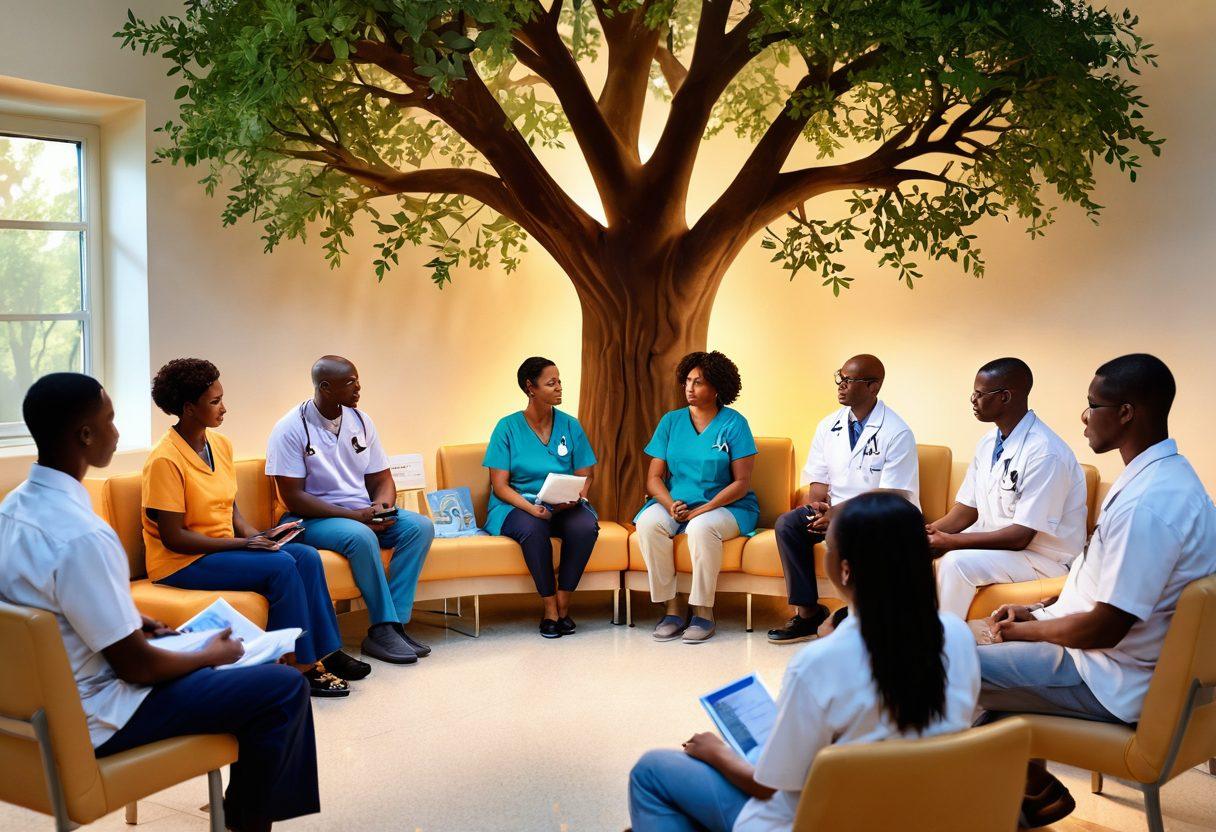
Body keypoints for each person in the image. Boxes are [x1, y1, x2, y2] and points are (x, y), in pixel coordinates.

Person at [0, 373, 319, 832]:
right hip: (99, 716)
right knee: (280, 688)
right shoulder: (84, 535)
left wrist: (133, 619)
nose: (117, 431)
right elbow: (138, 669)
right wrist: (211, 653)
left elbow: (44, 609)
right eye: (110, 421)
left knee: (233, 667)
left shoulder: (13, 510)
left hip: (38, 713)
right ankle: (245, 824)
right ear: (85, 435)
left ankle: (241, 809)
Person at [628, 491, 980, 831]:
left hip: (814, 820)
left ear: (844, 570)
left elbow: (769, 786)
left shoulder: (818, 664)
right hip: (913, 815)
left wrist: (716, 753)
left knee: (651, 772)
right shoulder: (958, 636)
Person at [976, 354, 1216, 827]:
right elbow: (1110, 584)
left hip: (1103, 675)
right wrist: (1039, 609)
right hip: (1109, 659)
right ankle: (1027, 793)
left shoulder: (1148, 504)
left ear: (1126, 412)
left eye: (1092, 405)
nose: (1083, 417)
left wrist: (1018, 635)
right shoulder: (1171, 480)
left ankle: (980, 801)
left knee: (932, 668)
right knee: (951, 643)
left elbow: (1104, 628)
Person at [142, 358, 358, 697]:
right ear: (188, 408)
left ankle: (324, 651)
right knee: (281, 567)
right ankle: (297, 665)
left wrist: (257, 535)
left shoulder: (221, 446)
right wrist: (245, 546)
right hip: (180, 562)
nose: (224, 408)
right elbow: (175, 538)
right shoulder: (164, 460)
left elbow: (230, 510)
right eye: (215, 402)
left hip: (220, 550)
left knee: (305, 556)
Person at [267, 356, 435, 664]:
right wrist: (356, 517)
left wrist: (381, 507)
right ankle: (382, 626)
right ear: (326, 388)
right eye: (350, 382)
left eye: (357, 380)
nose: (358, 387)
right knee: (360, 536)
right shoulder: (290, 428)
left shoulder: (360, 420)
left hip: (360, 513)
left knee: (420, 527)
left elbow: (382, 478)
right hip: (312, 518)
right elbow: (293, 497)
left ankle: (393, 626)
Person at [767, 354, 919, 644]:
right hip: (836, 510)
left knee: (845, 531)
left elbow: (892, 494)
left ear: (873, 387)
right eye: (840, 377)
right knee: (789, 524)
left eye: (849, 381)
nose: (841, 385)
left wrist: (837, 514)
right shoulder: (829, 425)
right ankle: (807, 615)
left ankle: (860, 615)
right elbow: (818, 476)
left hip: (882, 516)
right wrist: (818, 504)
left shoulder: (897, 432)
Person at [927, 358, 1088, 619]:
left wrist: (952, 542)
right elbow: (966, 511)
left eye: (979, 394)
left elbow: (1020, 537)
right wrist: (926, 533)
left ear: (1005, 397)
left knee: (956, 563)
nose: (972, 400)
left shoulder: (1045, 452)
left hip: (1043, 559)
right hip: (1000, 548)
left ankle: (947, 647)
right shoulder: (988, 443)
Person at [634, 351, 759, 643]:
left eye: (699, 382)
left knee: (701, 529)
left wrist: (703, 510)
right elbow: (653, 478)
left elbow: (741, 483)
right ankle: (673, 608)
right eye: (687, 381)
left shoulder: (734, 424)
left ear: (717, 388)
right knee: (649, 524)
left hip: (728, 505)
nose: (690, 388)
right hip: (677, 502)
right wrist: (669, 504)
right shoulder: (671, 422)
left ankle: (703, 612)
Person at [484, 357, 599, 638]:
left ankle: (563, 601)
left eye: (559, 381)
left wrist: (576, 498)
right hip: (517, 504)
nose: (560, 387)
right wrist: (531, 507)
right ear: (530, 387)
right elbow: (500, 485)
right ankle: (549, 608)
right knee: (533, 530)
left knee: (585, 527)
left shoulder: (571, 426)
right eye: (551, 382)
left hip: (564, 503)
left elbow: (587, 474)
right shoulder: (507, 427)